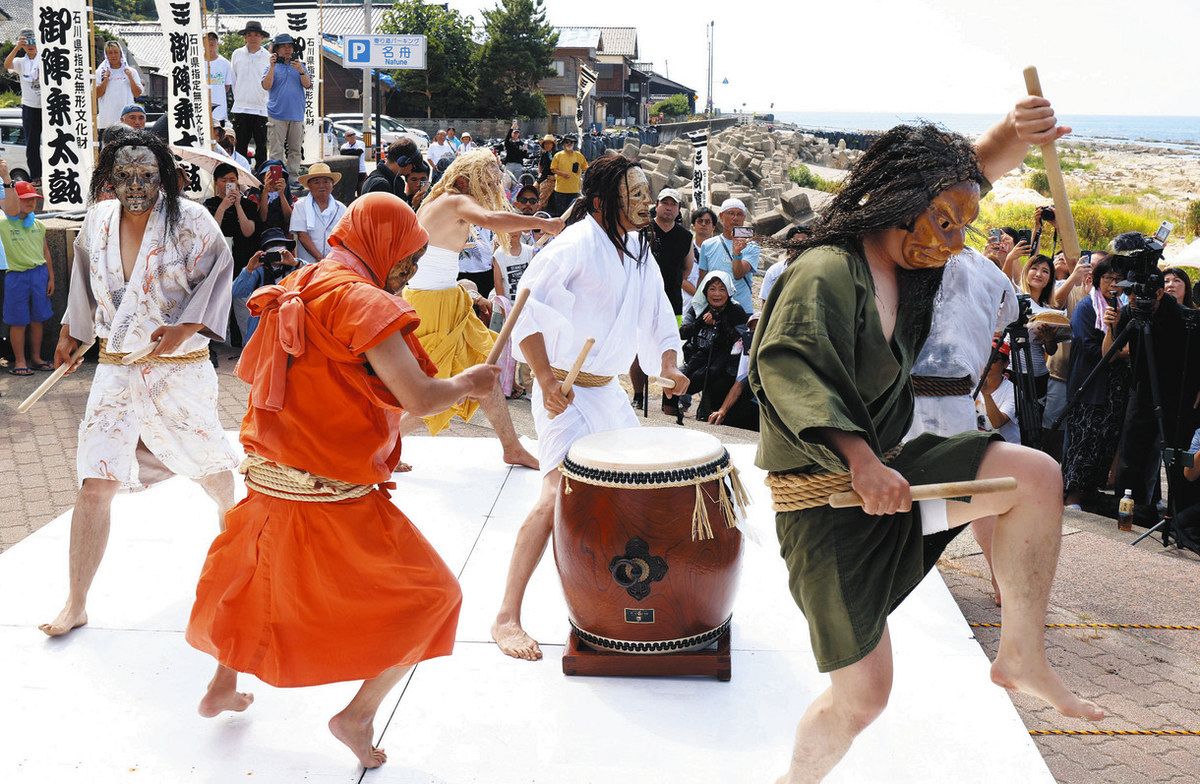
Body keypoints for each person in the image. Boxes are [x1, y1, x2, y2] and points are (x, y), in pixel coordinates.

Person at [748, 104, 1104, 783]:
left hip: (893, 478)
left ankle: (1021, 653)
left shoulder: (909, 272)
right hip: (827, 512)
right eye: (944, 222)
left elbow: (958, 180)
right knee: (863, 698)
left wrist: (1011, 136)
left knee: (1034, 476)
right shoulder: (825, 269)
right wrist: (859, 461)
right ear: (895, 200)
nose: (951, 240)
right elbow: (791, 368)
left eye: (963, 226)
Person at [186, 192, 495, 769]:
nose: (406, 271)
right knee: (436, 598)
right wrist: (469, 383)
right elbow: (420, 399)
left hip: (271, 479)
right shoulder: (363, 302)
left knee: (256, 583)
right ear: (381, 244)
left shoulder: (305, 281)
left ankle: (222, 687)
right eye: (405, 256)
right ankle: (356, 714)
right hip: (330, 495)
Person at [40, 129, 237, 638]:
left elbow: (219, 274)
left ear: (164, 176)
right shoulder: (99, 220)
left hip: (180, 369)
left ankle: (240, 542)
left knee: (211, 472)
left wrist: (188, 325)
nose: (135, 185)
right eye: (124, 175)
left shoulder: (192, 220)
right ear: (108, 177)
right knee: (95, 480)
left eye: (147, 175)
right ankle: (76, 601)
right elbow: (83, 283)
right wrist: (70, 331)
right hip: (115, 368)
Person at [490, 154, 687, 661]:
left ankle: (621, 599)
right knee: (555, 491)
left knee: (638, 491)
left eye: (647, 192)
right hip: (567, 392)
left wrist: (669, 362)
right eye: (635, 194)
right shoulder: (574, 245)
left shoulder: (640, 248)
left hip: (608, 394)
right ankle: (506, 615)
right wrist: (548, 378)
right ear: (603, 202)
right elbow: (526, 306)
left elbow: (658, 310)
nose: (645, 203)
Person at [402, 148, 561, 470]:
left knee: (485, 373)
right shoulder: (454, 201)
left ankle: (512, 447)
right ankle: (381, 444)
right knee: (439, 389)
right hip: (431, 305)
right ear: (465, 180)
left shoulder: (442, 202)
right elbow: (489, 219)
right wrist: (543, 224)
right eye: (487, 180)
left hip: (447, 298)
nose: (491, 187)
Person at [1062, 259, 1130, 510]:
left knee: (1103, 442)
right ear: (1098, 279)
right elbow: (1089, 346)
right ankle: (1072, 495)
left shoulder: (1123, 307)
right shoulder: (1086, 307)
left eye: (1118, 280)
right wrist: (1122, 352)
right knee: (1084, 441)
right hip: (1089, 386)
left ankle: (1089, 492)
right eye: (1108, 278)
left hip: (1113, 390)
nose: (1113, 284)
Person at [632, 187, 694, 413]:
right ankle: (638, 394)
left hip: (672, 300)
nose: (669, 207)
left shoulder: (685, 236)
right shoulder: (642, 230)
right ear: (656, 205)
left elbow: (687, 269)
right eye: (665, 202)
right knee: (638, 346)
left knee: (670, 346)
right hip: (641, 297)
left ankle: (669, 399)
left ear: (678, 209)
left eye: (673, 204)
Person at [0, 172, 54, 376]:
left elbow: (45, 251)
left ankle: (37, 357)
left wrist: (51, 277)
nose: (31, 203)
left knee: (38, 319)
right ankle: (20, 360)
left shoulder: (38, 224)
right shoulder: (3, 223)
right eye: (25, 199)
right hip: (16, 276)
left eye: (33, 199)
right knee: (18, 321)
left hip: (38, 274)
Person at [204, 163, 261, 347]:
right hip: (218, 259)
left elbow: (249, 231)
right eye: (224, 180)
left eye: (232, 180)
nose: (228, 183)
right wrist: (222, 207)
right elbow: (210, 232)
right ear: (216, 182)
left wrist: (237, 205)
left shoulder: (248, 204)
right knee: (218, 299)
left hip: (242, 258)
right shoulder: (210, 204)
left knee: (241, 298)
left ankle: (241, 340)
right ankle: (215, 340)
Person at [680, 271, 749, 421]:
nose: (717, 294)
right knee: (677, 379)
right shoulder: (698, 307)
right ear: (705, 291)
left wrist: (720, 320)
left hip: (723, 365)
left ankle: (706, 413)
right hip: (696, 357)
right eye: (712, 289)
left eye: (722, 289)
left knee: (713, 380)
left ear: (729, 292)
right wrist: (700, 322)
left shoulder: (736, 311)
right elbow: (682, 333)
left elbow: (742, 340)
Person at [229, 228, 300, 345]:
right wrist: (249, 269)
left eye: (280, 245)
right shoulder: (259, 270)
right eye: (271, 246)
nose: (276, 250)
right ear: (264, 252)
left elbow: (315, 277)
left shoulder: (296, 265)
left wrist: (295, 264)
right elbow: (236, 292)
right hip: (263, 324)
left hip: (290, 322)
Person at [1010, 254, 1062, 406]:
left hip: (1038, 374)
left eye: (1045, 271)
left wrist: (1049, 338)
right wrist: (1010, 258)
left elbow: (1051, 351)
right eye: (1034, 268)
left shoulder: (1049, 310)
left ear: (1050, 279)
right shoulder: (1016, 296)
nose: (1039, 274)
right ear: (1026, 272)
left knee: (1034, 421)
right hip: (1012, 370)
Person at [698, 198, 759, 314]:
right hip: (714, 311)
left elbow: (738, 274)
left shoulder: (751, 246)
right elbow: (702, 279)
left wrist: (737, 253)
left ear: (744, 218)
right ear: (721, 216)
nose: (735, 218)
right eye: (731, 213)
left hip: (742, 310)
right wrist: (699, 307)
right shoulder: (708, 244)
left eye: (739, 214)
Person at [261, 34, 311, 176]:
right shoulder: (272, 67)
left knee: (295, 150)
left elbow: (308, 85)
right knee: (276, 151)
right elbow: (266, 85)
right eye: (283, 46)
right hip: (276, 115)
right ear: (276, 49)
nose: (287, 49)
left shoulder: (302, 66)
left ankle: (293, 179)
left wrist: (301, 70)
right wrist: (272, 66)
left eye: (290, 46)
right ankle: (276, 180)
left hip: (296, 114)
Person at [229, 21, 272, 167]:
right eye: (249, 34)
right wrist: (239, 97)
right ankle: (241, 175)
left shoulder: (268, 56)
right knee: (240, 145)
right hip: (240, 107)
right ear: (245, 37)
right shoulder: (237, 54)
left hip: (261, 107)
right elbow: (233, 78)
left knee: (261, 146)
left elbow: (270, 81)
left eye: (256, 35)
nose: (253, 37)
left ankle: (261, 176)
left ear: (262, 38)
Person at [290, 162, 347, 265]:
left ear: (332, 185)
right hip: (308, 265)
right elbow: (302, 236)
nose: (322, 186)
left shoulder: (341, 208)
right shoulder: (300, 206)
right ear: (309, 186)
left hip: (335, 264)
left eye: (326, 182)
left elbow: (345, 236)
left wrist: (333, 260)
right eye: (316, 182)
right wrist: (321, 259)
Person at [4, 31, 41, 185]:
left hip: (47, 105)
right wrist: (17, 47)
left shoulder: (45, 58)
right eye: (27, 43)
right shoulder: (20, 61)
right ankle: (36, 176)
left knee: (54, 140)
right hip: (29, 105)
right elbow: (7, 65)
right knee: (31, 143)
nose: (30, 45)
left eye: (33, 41)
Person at [94, 42, 144, 131]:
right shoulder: (100, 72)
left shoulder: (131, 71)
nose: (113, 55)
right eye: (110, 52)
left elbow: (137, 94)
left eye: (116, 52)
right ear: (106, 55)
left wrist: (130, 78)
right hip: (107, 121)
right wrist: (105, 79)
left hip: (127, 121)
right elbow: (95, 95)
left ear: (121, 53)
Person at [977, 343, 1020, 444]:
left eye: (994, 358)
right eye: (985, 356)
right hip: (978, 444)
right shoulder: (973, 383)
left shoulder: (1012, 390)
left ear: (1006, 364)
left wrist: (986, 394)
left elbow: (997, 423)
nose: (988, 362)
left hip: (1003, 448)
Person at [548, 135, 587, 216]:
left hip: (574, 190)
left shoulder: (579, 155)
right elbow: (552, 169)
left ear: (574, 144)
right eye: (567, 142)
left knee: (573, 214)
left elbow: (585, 167)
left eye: (571, 142)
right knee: (561, 214)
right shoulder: (558, 155)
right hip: (560, 190)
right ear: (563, 144)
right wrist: (562, 174)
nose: (569, 144)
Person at [686, 207, 717, 301]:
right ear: (693, 225)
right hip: (687, 301)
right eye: (700, 221)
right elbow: (679, 278)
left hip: (713, 300)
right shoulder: (685, 247)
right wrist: (699, 296)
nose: (703, 224)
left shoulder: (717, 249)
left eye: (707, 222)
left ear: (713, 227)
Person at [255, 159, 295, 231]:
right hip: (261, 235)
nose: (272, 177)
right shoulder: (255, 196)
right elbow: (262, 218)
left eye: (277, 174)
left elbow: (289, 219)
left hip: (283, 235)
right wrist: (265, 192)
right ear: (262, 177)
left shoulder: (291, 197)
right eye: (268, 174)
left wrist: (282, 194)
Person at [205, 32, 231, 129]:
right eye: (208, 39)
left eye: (213, 39)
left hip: (219, 112)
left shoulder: (225, 63)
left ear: (217, 43)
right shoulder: (197, 63)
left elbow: (227, 87)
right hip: (201, 109)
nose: (211, 41)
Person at [340, 129, 368, 195]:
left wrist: (348, 152)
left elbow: (359, 152)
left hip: (361, 170)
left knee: (360, 189)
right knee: (350, 190)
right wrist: (354, 151)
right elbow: (342, 152)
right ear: (346, 138)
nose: (352, 136)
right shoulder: (344, 146)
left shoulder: (361, 143)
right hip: (349, 170)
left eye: (353, 134)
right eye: (350, 135)